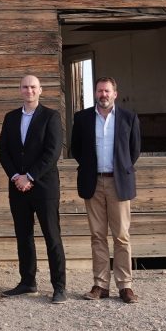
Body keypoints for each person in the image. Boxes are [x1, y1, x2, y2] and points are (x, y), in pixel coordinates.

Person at [69, 76, 142, 303]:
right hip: (93, 182)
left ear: (115, 94)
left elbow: (134, 151)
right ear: (95, 94)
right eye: (100, 91)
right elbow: (77, 149)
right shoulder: (82, 118)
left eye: (107, 91)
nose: (103, 95)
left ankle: (125, 286)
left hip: (118, 181)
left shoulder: (129, 118)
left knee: (121, 236)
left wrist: (119, 169)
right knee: (97, 236)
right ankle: (100, 285)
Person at [0, 75, 66, 302]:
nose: (29, 90)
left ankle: (59, 286)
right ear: (20, 90)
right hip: (18, 187)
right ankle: (28, 281)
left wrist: (30, 176)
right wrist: (17, 176)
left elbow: (53, 152)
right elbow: (3, 151)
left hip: (44, 187)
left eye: (33, 87)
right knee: (23, 236)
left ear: (40, 90)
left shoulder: (51, 117)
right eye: (25, 87)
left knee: (51, 236)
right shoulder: (11, 118)